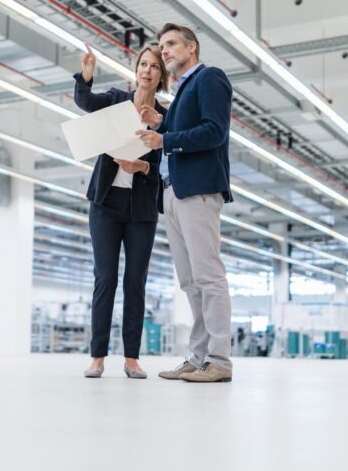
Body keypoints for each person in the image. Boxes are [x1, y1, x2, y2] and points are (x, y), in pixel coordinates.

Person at [137, 22, 233, 383]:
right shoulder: (182, 91)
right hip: (173, 191)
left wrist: (165, 139)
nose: (165, 51)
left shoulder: (210, 78)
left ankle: (220, 360)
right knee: (190, 282)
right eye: (162, 46)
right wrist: (162, 123)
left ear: (192, 47)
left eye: (172, 44)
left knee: (208, 277)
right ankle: (199, 356)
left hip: (198, 190)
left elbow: (215, 130)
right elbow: (181, 132)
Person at [75, 43, 168, 379]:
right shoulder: (116, 100)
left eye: (154, 67)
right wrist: (86, 77)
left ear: (161, 76)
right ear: (136, 70)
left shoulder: (165, 119)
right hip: (105, 204)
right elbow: (85, 103)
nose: (147, 70)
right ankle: (97, 356)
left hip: (141, 209)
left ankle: (131, 358)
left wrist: (142, 168)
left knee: (135, 282)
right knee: (106, 278)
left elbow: (166, 166)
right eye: (143, 64)